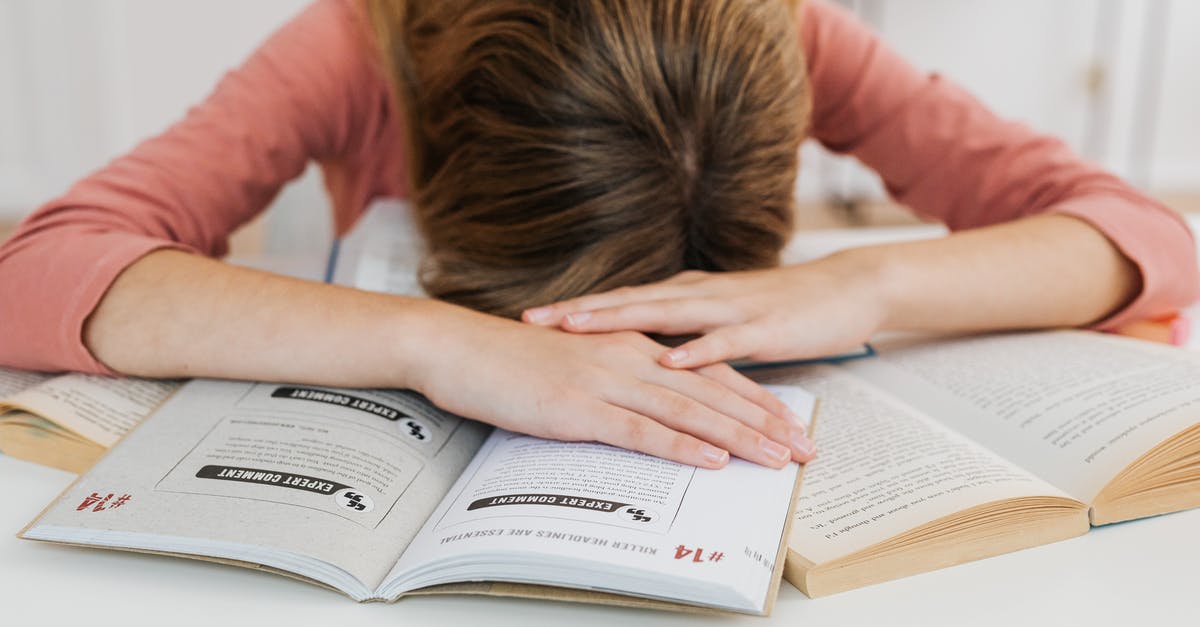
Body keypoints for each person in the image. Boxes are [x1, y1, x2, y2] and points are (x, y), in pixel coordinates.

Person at [0, 0, 1195, 471]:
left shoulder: (788, 31)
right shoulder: (360, 39)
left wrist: (865, 286)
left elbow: (1147, 233)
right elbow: (35, 272)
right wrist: (434, 344)